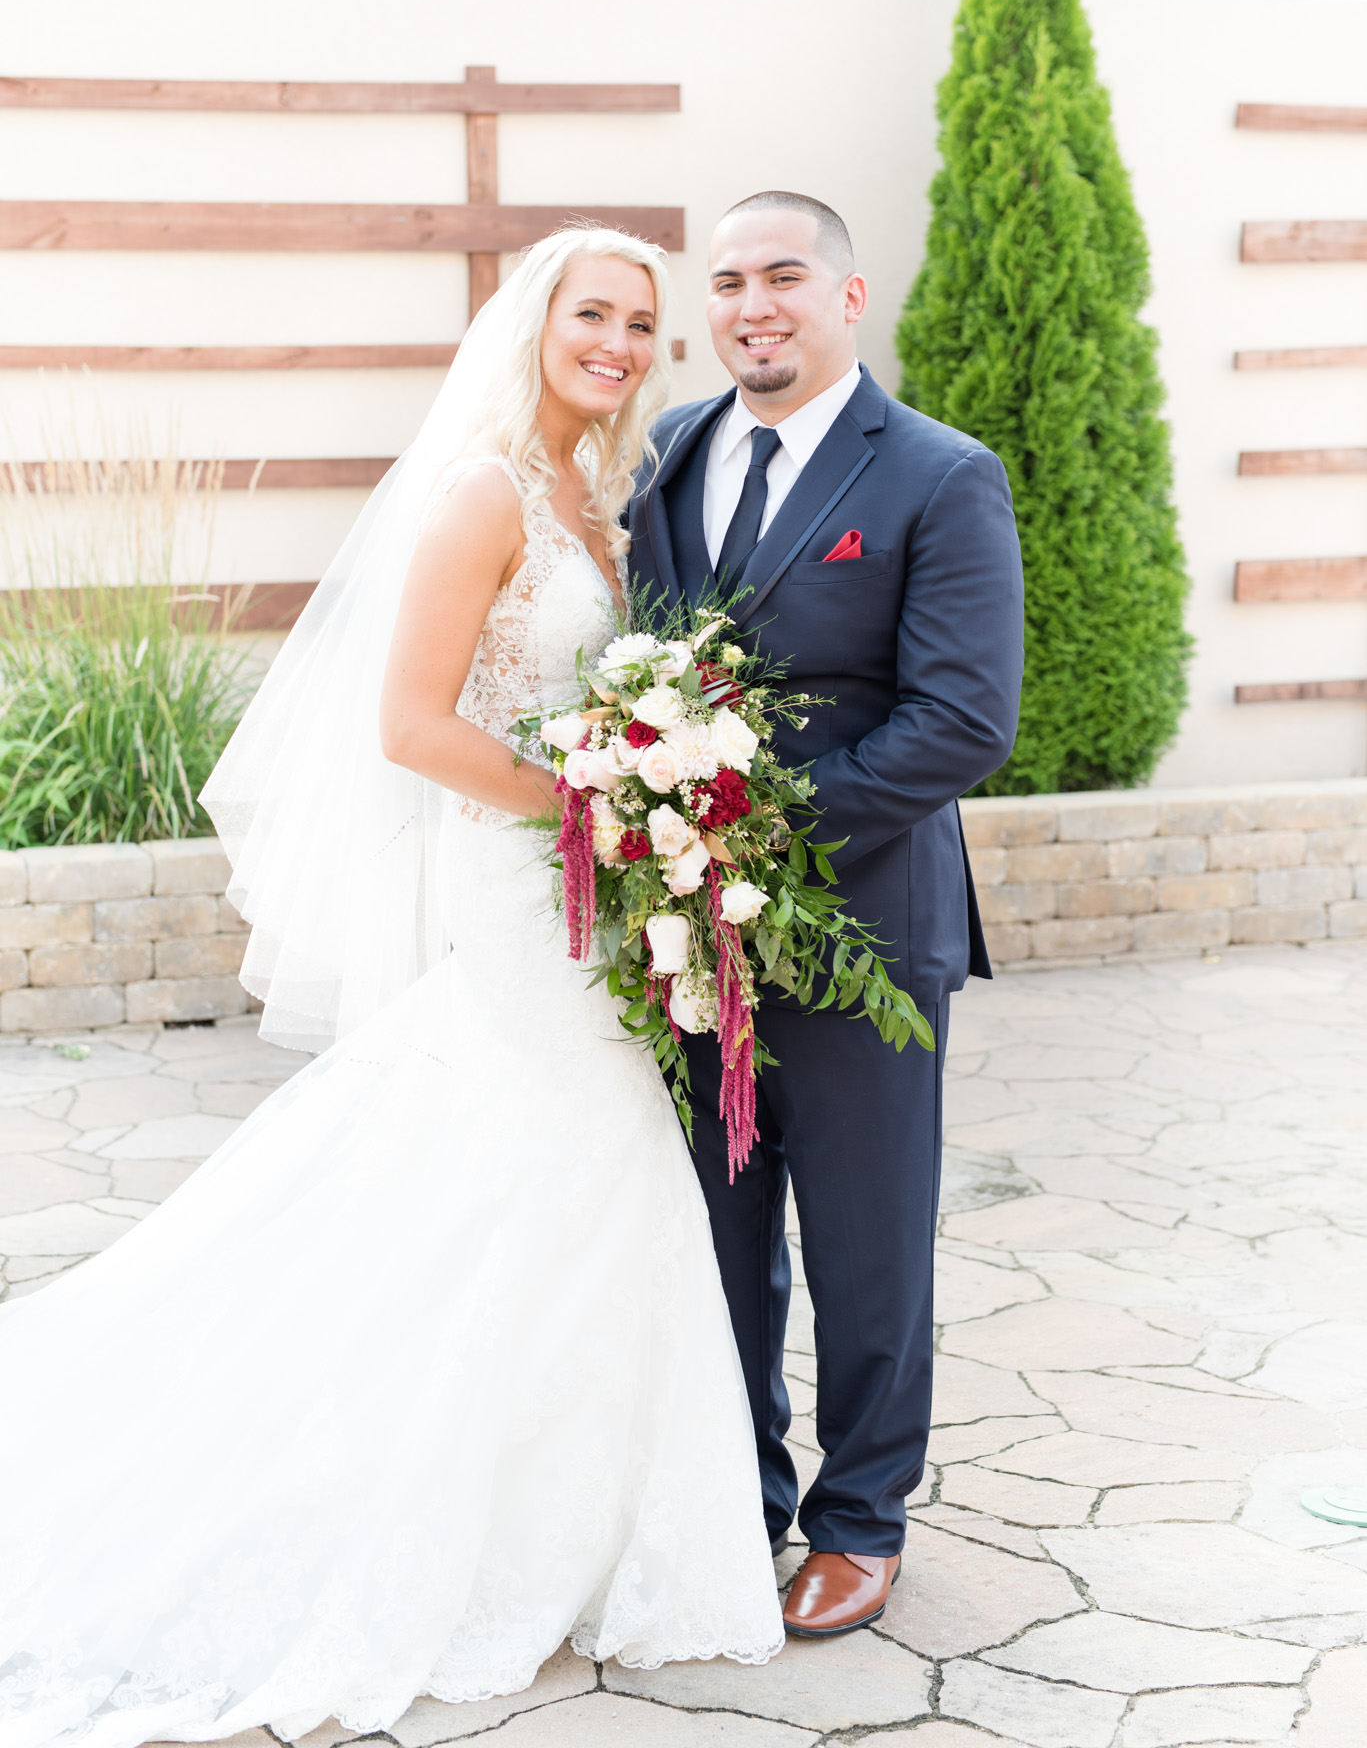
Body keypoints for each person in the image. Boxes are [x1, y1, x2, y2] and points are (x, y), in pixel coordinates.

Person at [0, 227, 782, 1748]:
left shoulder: (605, 502)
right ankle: (467, 1520)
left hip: (598, 902)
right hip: (518, 895)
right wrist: (600, 813)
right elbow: (412, 725)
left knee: (566, 1185)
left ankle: (563, 1521)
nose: (619, 341)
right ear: (536, 321)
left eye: (641, 322)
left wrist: (647, 819)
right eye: (593, 314)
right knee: (568, 1166)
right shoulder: (484, 491)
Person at [628, 191, 1025, 1639]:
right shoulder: (670, 450)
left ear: (848, 297)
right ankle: (741, 1498)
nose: (753, 305)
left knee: (867, 1246)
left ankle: (861, 1523)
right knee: (716, 1238)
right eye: (727, 282)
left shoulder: (938, 474)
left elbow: (964, 720)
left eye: (783, 275)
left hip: (866, 935)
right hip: (687, 937)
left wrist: (756, 834)